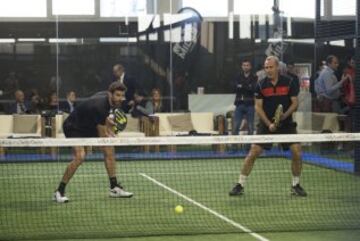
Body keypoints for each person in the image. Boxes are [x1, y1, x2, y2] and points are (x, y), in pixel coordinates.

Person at [229, 56, 307, 197]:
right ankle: (239, 184)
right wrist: (269, 124)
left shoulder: (289, 82)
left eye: (271, 67)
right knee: (253, 152)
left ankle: (296, 185)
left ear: (277, 67)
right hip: (266, 124)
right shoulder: (261, 85)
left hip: (286, 123)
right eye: (266, 67)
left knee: (296, 151)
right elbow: (258, 107)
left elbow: (295, 103)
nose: (268, 70)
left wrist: (284, 116)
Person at [53, 82, 133, 203]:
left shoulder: (107, 99)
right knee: (80, 156)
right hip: (73, 127)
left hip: (88, 125)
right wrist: (110, 133)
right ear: (109, 94)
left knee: (109, 150)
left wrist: (108, 126)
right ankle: (59, 191)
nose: (120, 98)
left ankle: (114, 187)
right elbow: (102, 136)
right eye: (117, 95)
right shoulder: (100, 106)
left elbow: (100, 118)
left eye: (122, 95)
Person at [232, 59, 257, 137]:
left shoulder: (254, 77)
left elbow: (253, 88)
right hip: (239, 103)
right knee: (235, 126)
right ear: (242, 66)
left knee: (250, 127)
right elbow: (234, 88)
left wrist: (241, 86)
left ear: (250, 67)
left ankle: (248, 148)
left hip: (250, 104)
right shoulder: (237, 76)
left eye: (247, 65)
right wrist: (247, 86)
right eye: (244, 65)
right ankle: (234, 148)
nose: (246, 67)